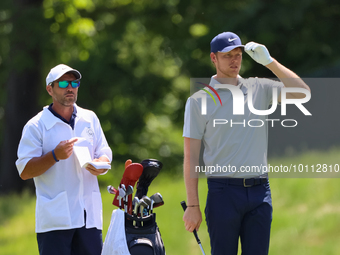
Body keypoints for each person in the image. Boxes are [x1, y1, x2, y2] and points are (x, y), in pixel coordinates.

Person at [182, 32, 310, 255]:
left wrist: (270, 63)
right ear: (213, 58)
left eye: (238, 55)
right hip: (223, 193)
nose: (234, 60)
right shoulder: (198, 101)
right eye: (227, 55)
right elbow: (191, 157)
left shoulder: (259, 87)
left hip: (260, 191)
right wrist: (193, 206)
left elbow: (302, 93)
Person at [16, 64, 112, 255]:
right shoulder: (36, 125)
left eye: (74, 82)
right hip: (55, 221)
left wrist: (101, 165)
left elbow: (105, 152)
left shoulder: (90, 118)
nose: (70, 88)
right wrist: (54, 156)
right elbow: (25, 171)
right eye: (63, 83)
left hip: (89, 219)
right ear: (50, 89)